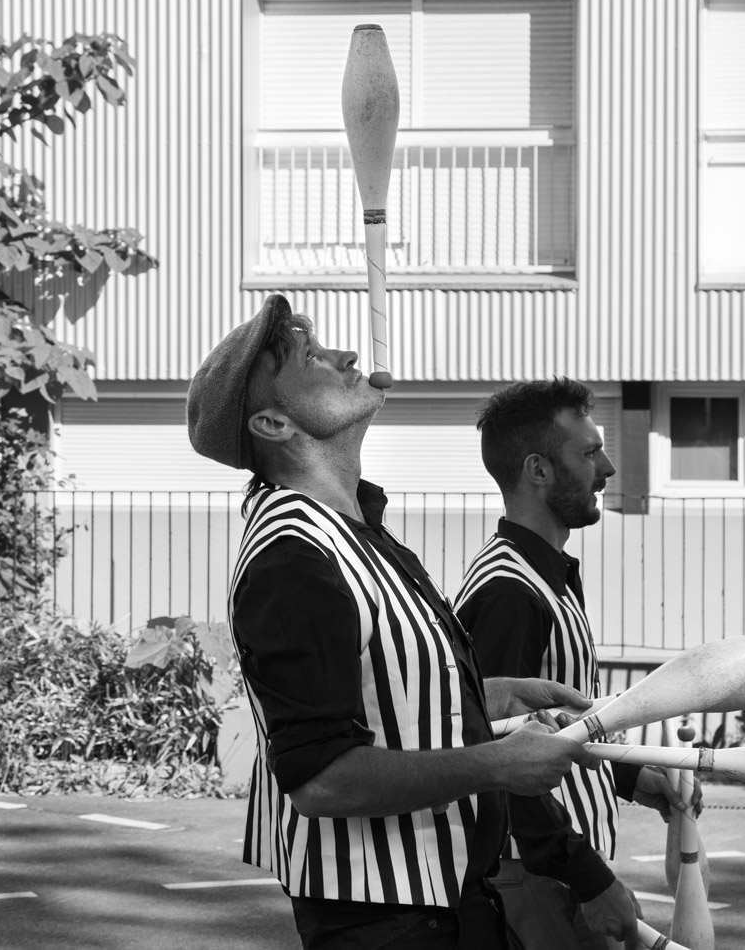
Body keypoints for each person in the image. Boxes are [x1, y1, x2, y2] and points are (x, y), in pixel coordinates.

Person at [186, 296, 610, 950]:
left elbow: (377, 694)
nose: (346, 356)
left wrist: (490, 696)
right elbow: (321, 778)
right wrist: (496, 763)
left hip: (447, 905)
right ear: (273, 423)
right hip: (389, 924)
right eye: (310, 356)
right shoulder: (293, 556)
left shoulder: (355, 530)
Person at [455, 378, 692, 950]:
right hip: (536, 877)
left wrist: (628, 775)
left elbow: (556, 732)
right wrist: (586, 878)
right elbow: (499, 759)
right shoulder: (511, 591)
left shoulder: (545, 575)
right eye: (589, 454)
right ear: (538, 470)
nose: (607, 469)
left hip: (551, 870)